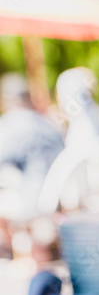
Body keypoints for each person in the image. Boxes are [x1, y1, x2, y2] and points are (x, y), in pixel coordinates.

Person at [0, 73, 63, 221]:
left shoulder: (10, 125)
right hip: (60, 199)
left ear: (6, 100)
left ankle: (19, 243)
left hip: (32, 203)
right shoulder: (48, 123)